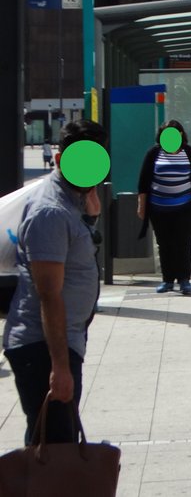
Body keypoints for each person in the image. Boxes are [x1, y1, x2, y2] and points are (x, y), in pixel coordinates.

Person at [4, 119, 106, 445]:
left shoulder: (73, 197)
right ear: (60, 159)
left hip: (60, 340)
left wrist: (90, 208)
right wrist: (60, 368)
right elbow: (49, 294)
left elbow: (83, 233)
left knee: (54, 443)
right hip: (42, 348)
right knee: (55, 446)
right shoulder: (50, 211)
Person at [136, 121, 191, 295]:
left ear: (181, 134)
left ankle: (184, 279)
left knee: (183, 243)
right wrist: (141, 205)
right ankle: (168, 280)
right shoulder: (154, 153)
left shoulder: (190, 152)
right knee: (164, 243)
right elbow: (143, 182)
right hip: (158, 208)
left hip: (185, 207)